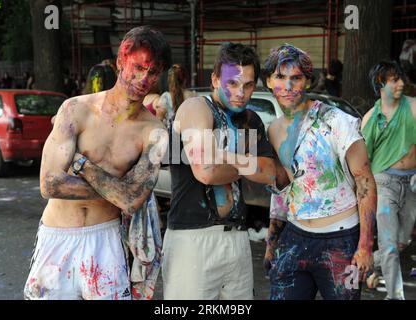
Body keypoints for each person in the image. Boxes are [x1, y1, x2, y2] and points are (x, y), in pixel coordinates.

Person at [23, 26, 172, 300]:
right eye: (137, 67)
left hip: (105, 241)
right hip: (57, 236)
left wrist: (81, 165)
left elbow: (133, 201)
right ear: (119, 62)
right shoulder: (75, 109)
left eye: (152, 72)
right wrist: (119, 190)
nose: (143, 78)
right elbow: (49, 184)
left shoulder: (155, 132)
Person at [162, 42, 277, 300]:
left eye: (248, 85)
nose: (240, 92)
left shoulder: (249, 120)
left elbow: (270, 172)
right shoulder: (196, 109)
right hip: (193, 239)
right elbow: (207, 171)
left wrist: (225, 156)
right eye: (232, 83)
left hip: (237, 237)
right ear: (215, 79)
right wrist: (247, 163)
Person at [264, 44, 376, 300]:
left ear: (308, 81)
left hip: (340, 240)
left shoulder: (337, 120)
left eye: (296, 78)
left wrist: (365, 246)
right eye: (280, 77)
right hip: (294, 236)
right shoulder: (274, 130)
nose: (288, 86)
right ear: (269, 81)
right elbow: (282, 187)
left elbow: (365, 181)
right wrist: (272, 242)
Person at [361, 61, 416, 300]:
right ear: (380, 84)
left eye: (401, 79)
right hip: (383, 183)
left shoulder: (413, 107)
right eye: (394, 80)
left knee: (401, 242)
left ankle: (358, 267)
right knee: (390, 245)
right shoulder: (370, 118)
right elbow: (362, 162)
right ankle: (395, 296)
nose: (401, 84)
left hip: (411, 183)